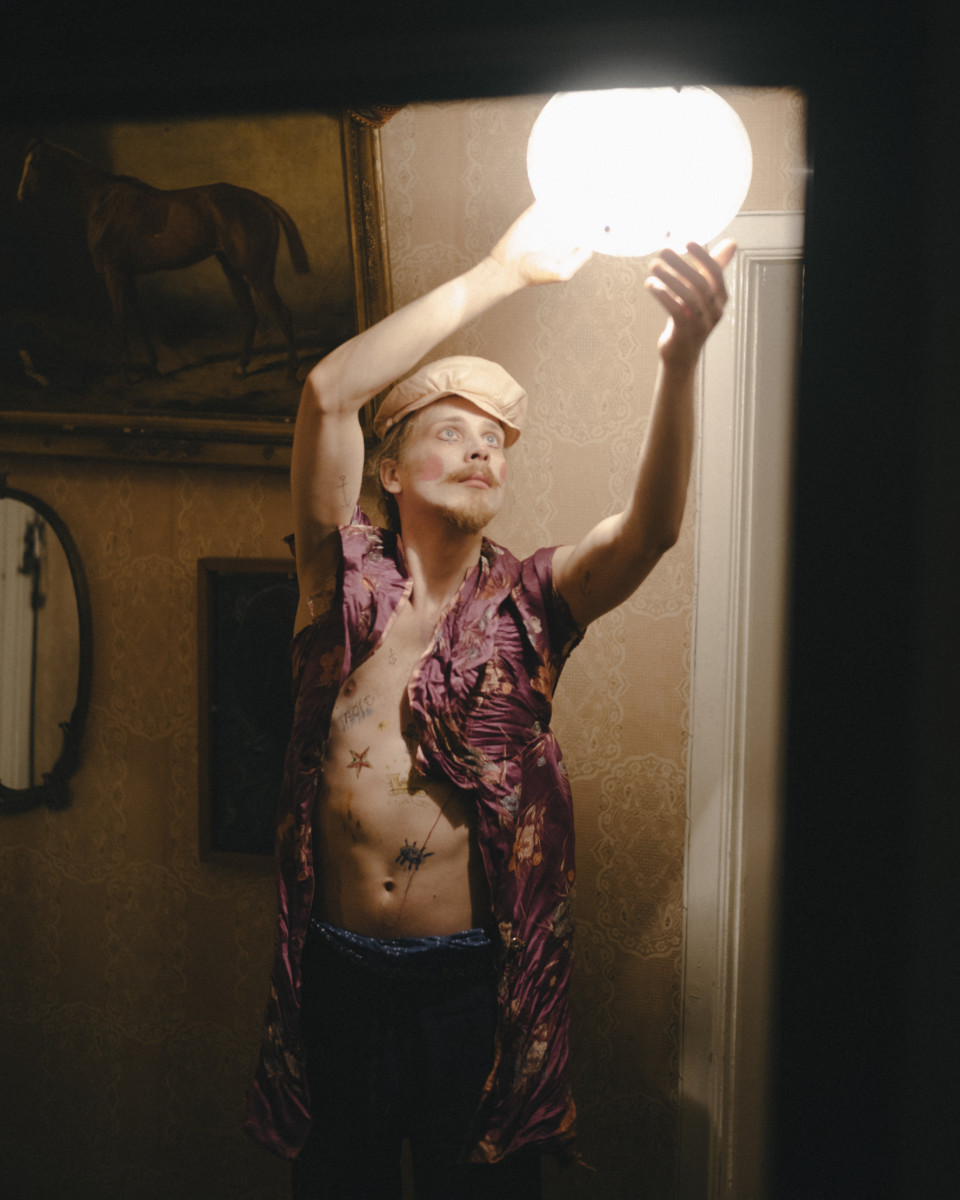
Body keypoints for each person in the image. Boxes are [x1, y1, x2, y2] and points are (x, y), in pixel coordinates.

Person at [244, 202, 735, 1198]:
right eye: (451, 432)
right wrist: (502, 272)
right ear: (387, 469)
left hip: (467, 989)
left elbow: (649, 532)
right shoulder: (338, 590)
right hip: (337, 978)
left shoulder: (536, 603)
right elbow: (329, 392)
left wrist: (681, 362)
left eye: (495, 441)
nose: (481, 450)